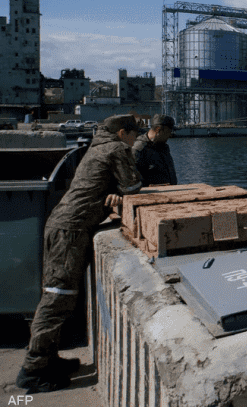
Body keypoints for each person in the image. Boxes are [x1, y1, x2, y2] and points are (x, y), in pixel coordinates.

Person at [16, 114, 143, 393]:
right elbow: (133, 186)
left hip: (64, 226)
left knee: (59, 296)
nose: (136, 140)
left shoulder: (96, 147)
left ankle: (48, 359)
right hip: (70, 231)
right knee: (57, 298)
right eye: (134, 134)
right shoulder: (116, 148)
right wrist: (121, 191)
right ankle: (33, 370)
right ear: (123, 133)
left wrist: (115, 192)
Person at [133, 114, 177, 187]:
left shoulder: (163, 147)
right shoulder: (139, 149)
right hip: (153, 193)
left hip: (170, 192)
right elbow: (134, 181)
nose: (170, 135)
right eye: (168, 132)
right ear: (157, 130)